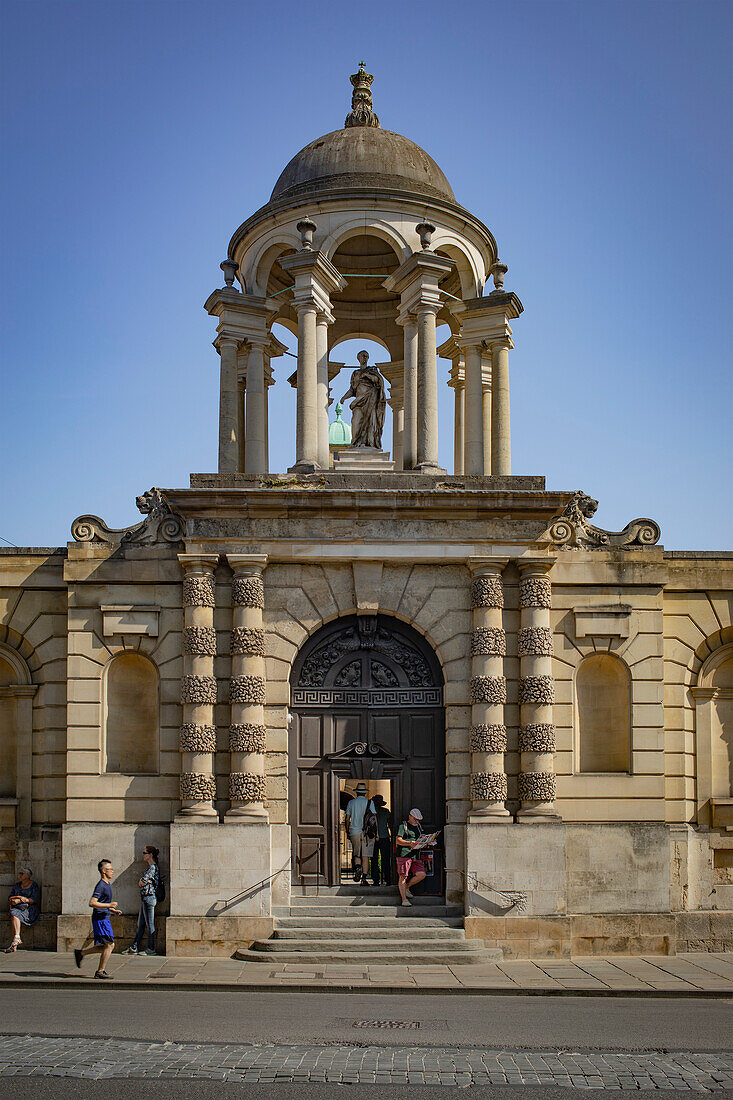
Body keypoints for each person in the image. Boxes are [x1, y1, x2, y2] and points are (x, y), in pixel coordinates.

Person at [74, 859, 120, 979]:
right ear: (104, 871)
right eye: (110, 869)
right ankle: (100, 971)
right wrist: (109, 905)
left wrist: (112, 910)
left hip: (104, 917)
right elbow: (92, 903)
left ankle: (81, 953)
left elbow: (102, 903)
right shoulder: (101, 886)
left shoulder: (107, 884)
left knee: (106, 945)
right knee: (110, 945)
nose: (113, 871)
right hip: (100, 919)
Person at [339, 350, 386, 449]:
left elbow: (378, 381)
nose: (364, 358)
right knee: (356, 421)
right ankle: (355, 443)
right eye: (362, 356)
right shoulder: (355, 373)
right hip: (359, 402)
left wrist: (367, 376)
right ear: (358, 358)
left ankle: (369, 443)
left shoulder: (372, 370)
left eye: (366, 356)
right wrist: (344, 397)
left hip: (371, 400)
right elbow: (352, 389)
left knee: (370, 422)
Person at [123, 845, 160, 956]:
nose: (143, 855)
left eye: (145, 853)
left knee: (150, 924)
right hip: (145, 898)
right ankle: (134, 947)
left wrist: (143, 882)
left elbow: (142, 882)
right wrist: (143, 882)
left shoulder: (153, 867)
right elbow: (142, 882)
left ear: (150, 855)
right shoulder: (150, 868)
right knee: (141, 924)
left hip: (149, 897)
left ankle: (151, 948)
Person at [396, 808, 435, 907]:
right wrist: (410, 843)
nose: (417, 821)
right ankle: (404, 899)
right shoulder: (403, 826)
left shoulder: (418, 826)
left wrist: (427, 842)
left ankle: (406, 887)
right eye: (415, 819)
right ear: (410, 816)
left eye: (418, 820)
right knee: (403, 876)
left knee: (421, 874)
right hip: (404, 854)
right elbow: (398, 840)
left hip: (415, 855)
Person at [4, 867, 40, 952]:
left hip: (29, 909)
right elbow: (10, 897)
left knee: (14, 915)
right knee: (14, 913)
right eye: (19, 873)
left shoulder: (33, 885)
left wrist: (20, 900)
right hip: (17, 908)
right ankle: (16, 939)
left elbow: (34, 899)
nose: (20, 875)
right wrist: (18, 898)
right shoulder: (17, 885)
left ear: (28, 875)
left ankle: (14, 943)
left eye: (22, 873)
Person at [344, 782, 374, 884]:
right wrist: (376, 833)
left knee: (357, 855)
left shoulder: (351, 803)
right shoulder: (370, 803)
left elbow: (347, 819)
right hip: (367, 832)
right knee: (365, 856)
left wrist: (347, 830)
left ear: (356, 793)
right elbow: (374, 819)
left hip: (354, 831)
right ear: (365, 793)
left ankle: (358, 868)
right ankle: (364, 879)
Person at [369, 795, 393, 886]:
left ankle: (376, 880)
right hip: (385, 837)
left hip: (373, 838)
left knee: (374, 859)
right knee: (386, 859)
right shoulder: (386, 811)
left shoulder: (370, 812)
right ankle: (387, 879)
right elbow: (390, 824)